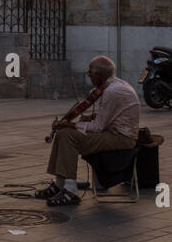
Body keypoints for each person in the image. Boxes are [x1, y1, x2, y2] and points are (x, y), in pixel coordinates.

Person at [36, 56, 140, 206]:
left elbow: (98, 127)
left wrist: (70, 125)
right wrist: (84, 118)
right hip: (114, 132)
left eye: (89, 73)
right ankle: (59, 184)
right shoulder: (116, 84)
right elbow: (110, 117)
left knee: (67, 135)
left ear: (98, 75)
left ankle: (71, 190)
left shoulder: (112, 91)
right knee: (63, 133)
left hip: (121, 138)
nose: (89, 76)